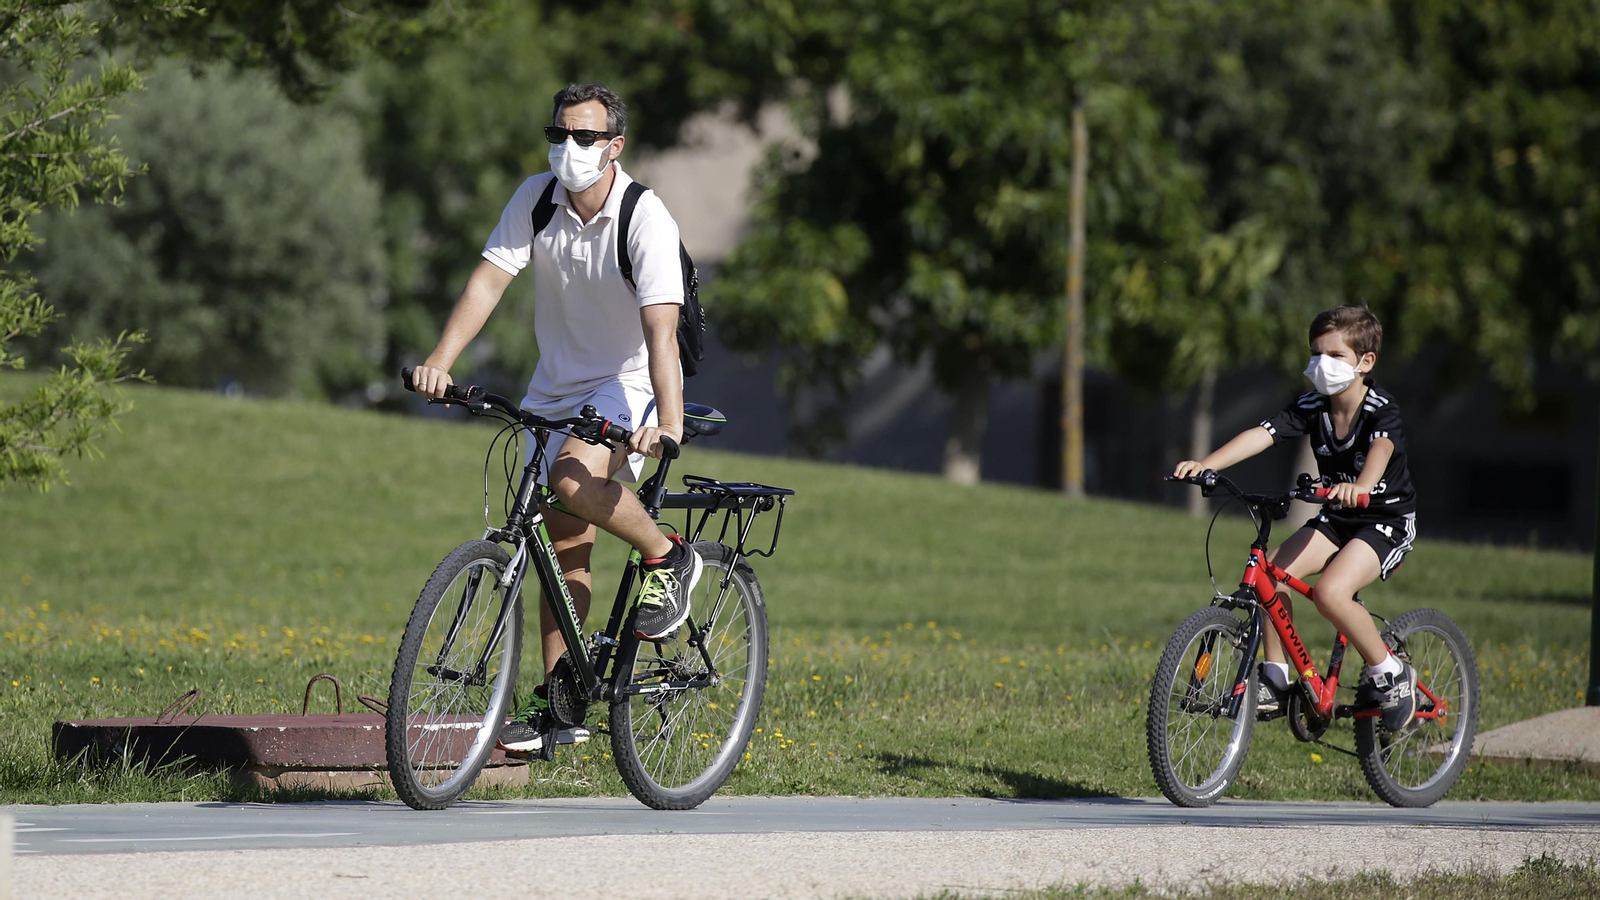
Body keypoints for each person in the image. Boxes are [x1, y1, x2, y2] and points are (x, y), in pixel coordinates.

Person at [409, 83, 701, 754]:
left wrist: (670, 427)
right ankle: (562, 703)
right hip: (557, 383)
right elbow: (487, 281)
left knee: (571, 479)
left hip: (629, 383)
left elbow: (662, 335)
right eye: (560, 133)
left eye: (585, 137)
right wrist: (440, 360)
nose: (569, 148)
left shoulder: (643, 217)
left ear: (614, 146)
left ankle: (667, 552)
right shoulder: (536, 198)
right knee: (559, 538)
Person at [1172, 305, 1419, 732]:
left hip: (1383, 520)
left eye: (1335, 356)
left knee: (1330, 594)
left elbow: (1381, 450)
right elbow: (1261, 434)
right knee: (1273, 575)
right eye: (1315, 353)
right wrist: (1206, 464)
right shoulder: (1312, 405)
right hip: (1337, 516)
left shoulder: (1381, 408)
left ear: (1365, 362)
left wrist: (1360, 486)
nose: (1322, 365)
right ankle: (1275, 675)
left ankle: (1391, 673)